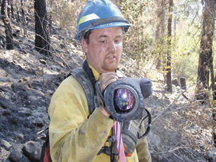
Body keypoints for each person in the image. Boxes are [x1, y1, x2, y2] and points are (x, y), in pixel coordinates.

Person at [48, 0, 152, 161]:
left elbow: (141, 149)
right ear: (85, 44)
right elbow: (62, 157)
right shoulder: (70, 92)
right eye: (103, 41)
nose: (113, 48)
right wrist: (104, 110)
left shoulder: (126, 90)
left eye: (117, 40)